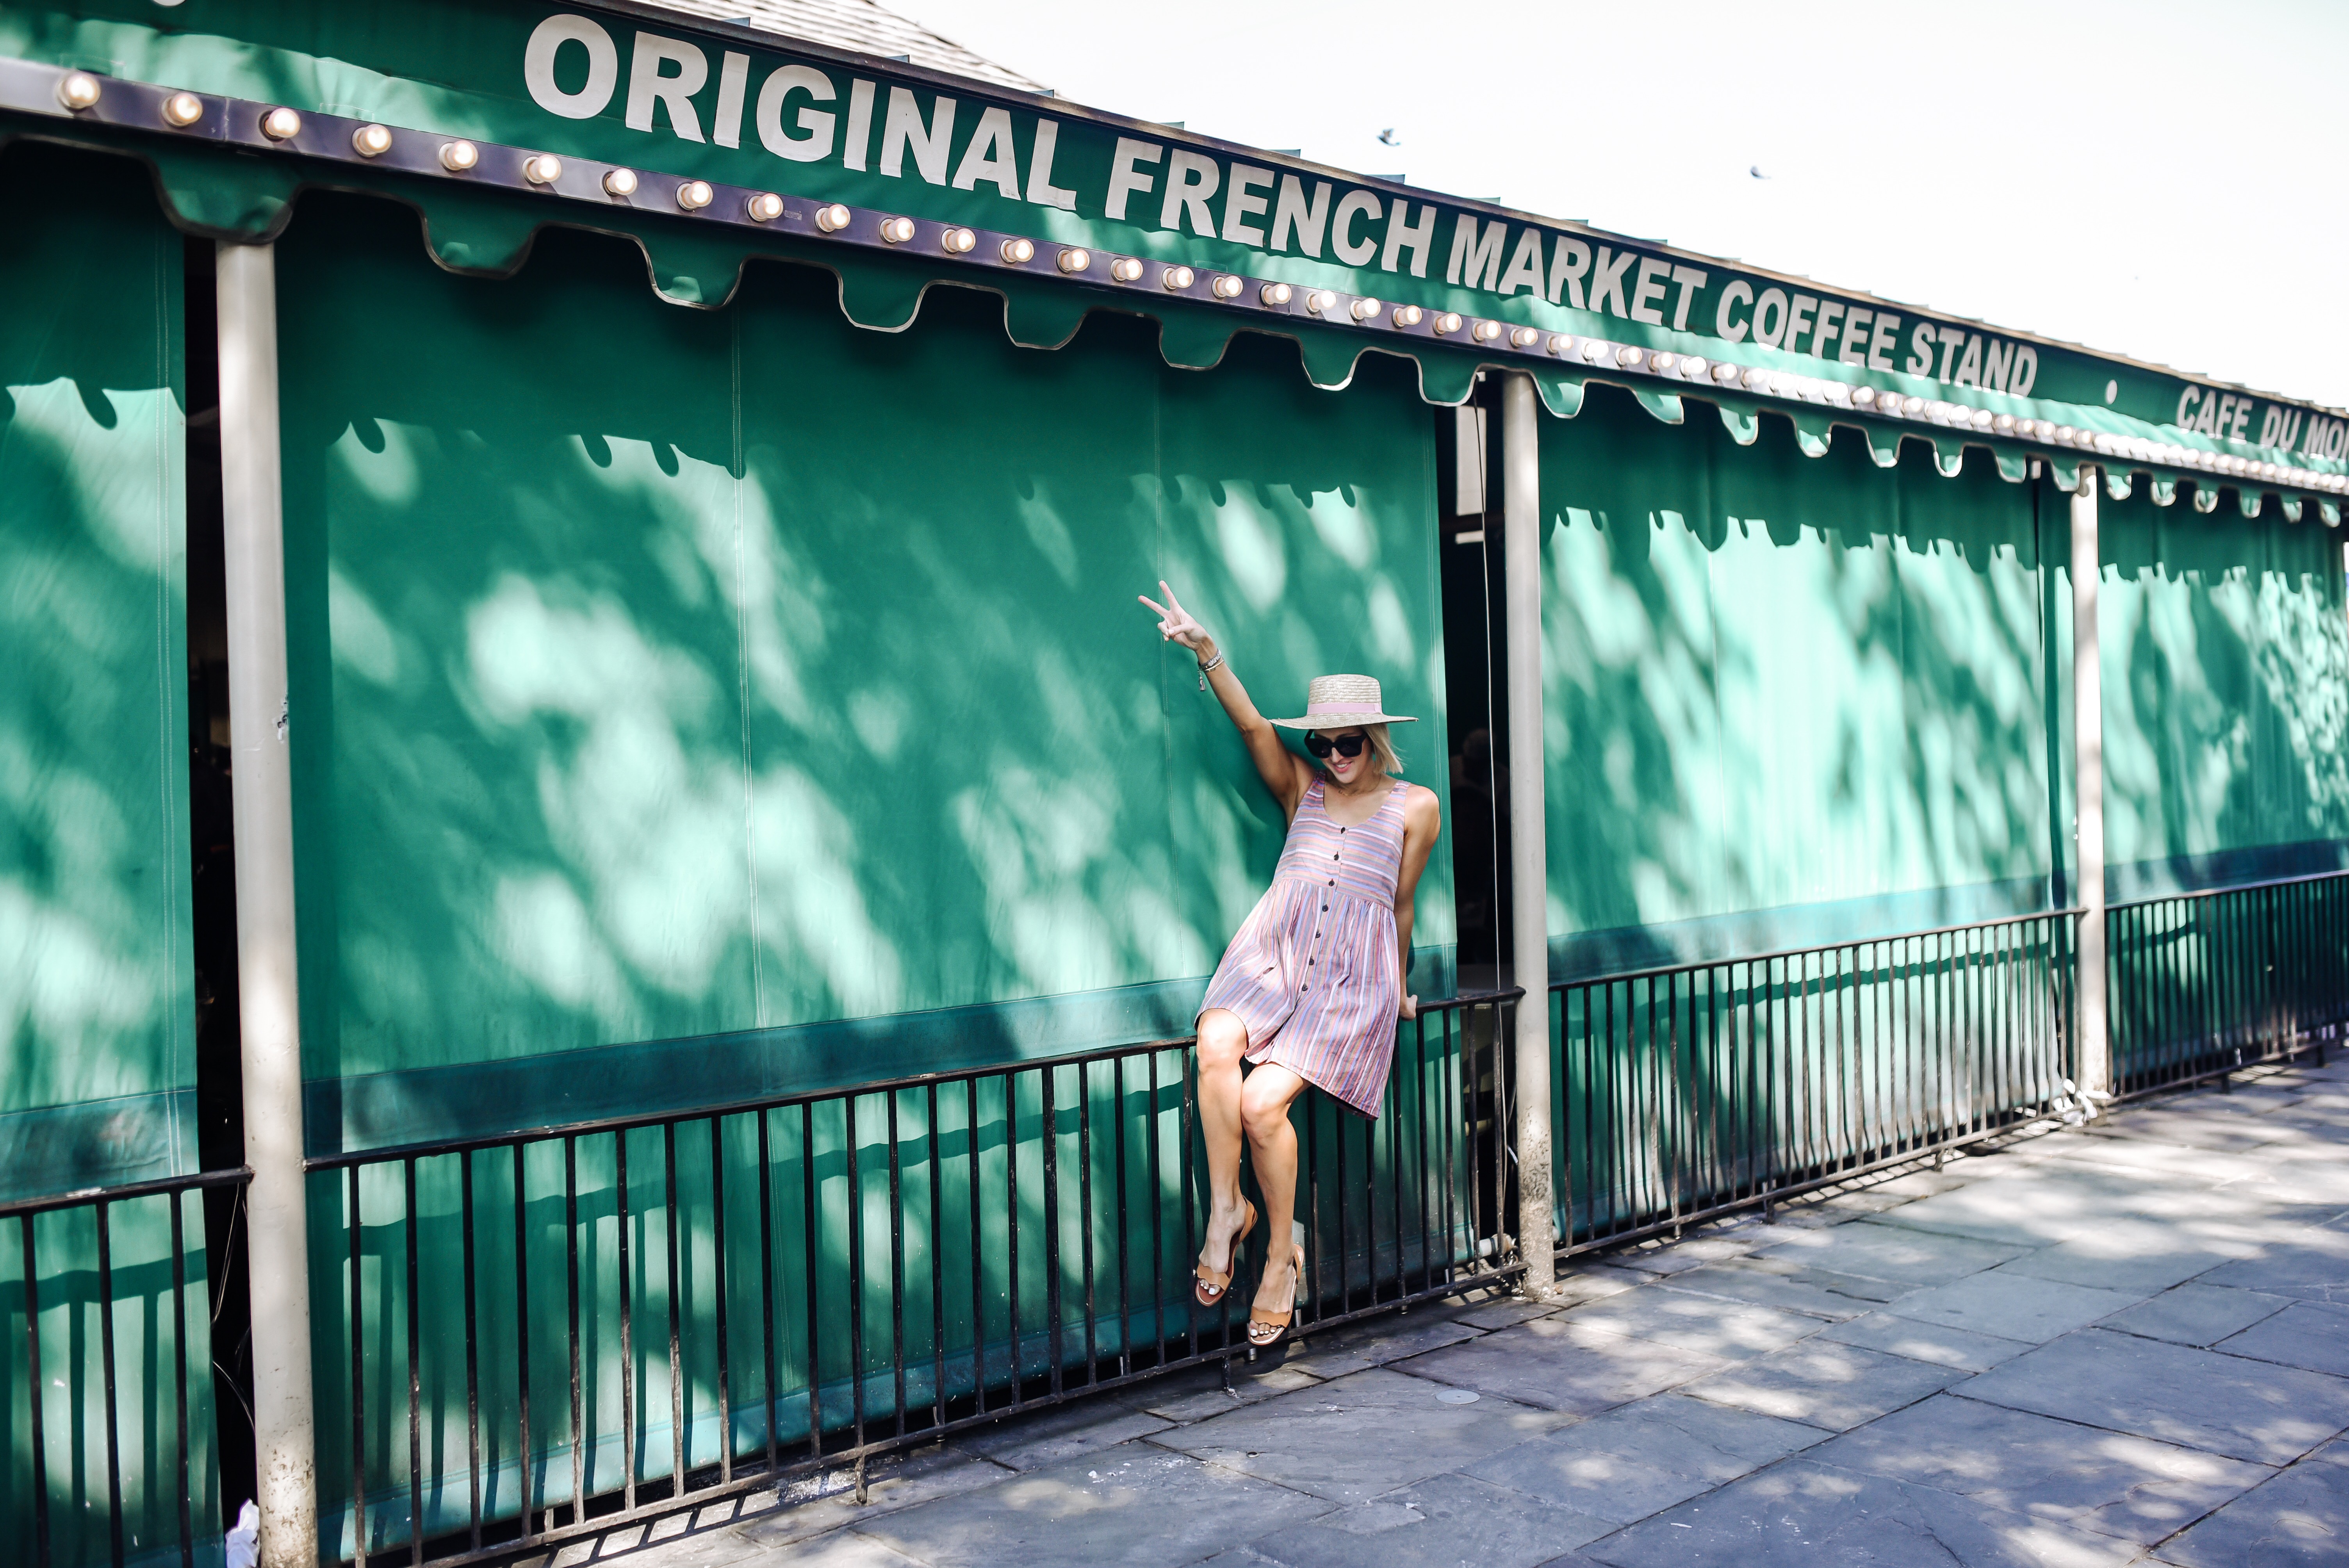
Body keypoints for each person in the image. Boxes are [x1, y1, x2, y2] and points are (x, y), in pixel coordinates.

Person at [1137, 581, 1441, 1349]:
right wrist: (1207, 651)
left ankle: (1279, 1257)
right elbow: (1247, 724)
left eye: (1349, 742)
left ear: (1374, 738)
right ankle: (1225, 1211)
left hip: (1349, 981)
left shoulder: (1415, 806)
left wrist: (1398, 989)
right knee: (1212, 1042)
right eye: (1323, 743)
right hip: (1273, 951)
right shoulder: (1299, 789)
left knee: (1261, 1105)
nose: (1334, 756)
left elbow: (1398, 905)